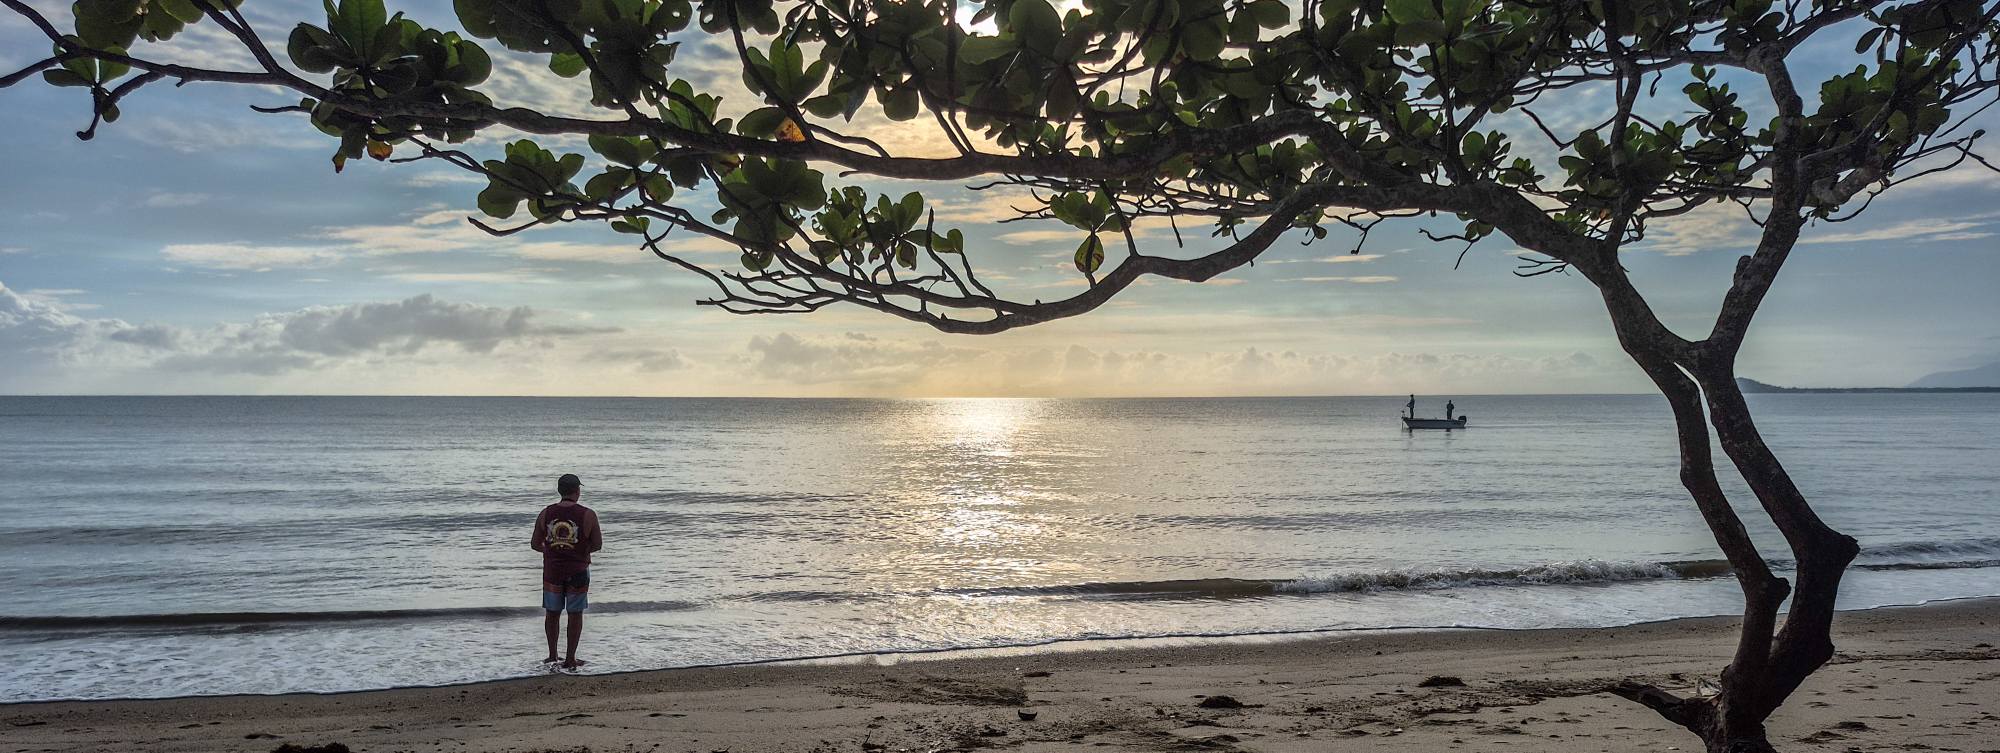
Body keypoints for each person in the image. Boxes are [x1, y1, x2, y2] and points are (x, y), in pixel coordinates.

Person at [532, 473, 601, 669]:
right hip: (578, 570)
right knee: (575, 614)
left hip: (552, 570)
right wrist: (581, 550)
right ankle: (571, 658)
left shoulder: (546, 513)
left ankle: (552, 656)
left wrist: (551, 549)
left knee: (552, 613)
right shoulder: (588, 514)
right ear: (577, 491)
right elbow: (597, 544)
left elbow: (534, 544)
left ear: (559, 491)